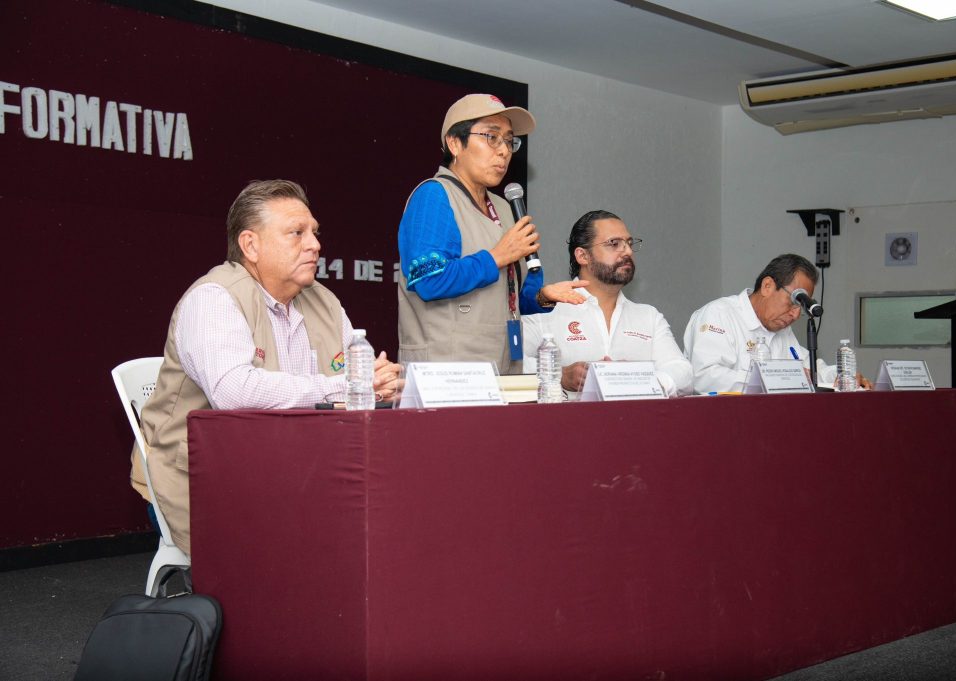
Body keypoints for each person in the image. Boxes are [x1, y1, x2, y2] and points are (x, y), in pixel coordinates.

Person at [131, 180, 402, 556]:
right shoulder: (214, 298)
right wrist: (347, 385)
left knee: (390, 522)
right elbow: (235, 393)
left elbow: (361, 377)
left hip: (298, 473)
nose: (314, 244)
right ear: (251, 245)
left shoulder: (323, 300)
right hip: (204, 481)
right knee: (311, 550)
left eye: (314, 233)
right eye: (297, 233)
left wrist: (383, 384)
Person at [397, 93, 585, 374]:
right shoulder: (434, 196)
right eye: (491, 137)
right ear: (454, 143)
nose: (504, 151)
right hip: (447, 373)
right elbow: (429, 281)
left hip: (505, 366)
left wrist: (543, 296)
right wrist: (497, 256)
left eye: (509, 141)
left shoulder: (504, 207)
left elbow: (509, 297)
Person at [523, 210, 693, 398]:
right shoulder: (547, 309)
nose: (628, 251)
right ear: (583, 256)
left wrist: (636, 380)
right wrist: (560, 375)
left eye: (629, 243)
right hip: (568, 416)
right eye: (614, 244)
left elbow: (683, 373)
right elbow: (510, 364)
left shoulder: (648, 317)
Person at [683, 253, 872, 394]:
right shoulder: (719, 314)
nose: (795, 314)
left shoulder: (782, 329)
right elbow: (704, 376)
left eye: (801, 307)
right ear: (767, 286)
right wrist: (775, 379)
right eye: (793, 302)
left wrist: (842, 376)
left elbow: (811, 371)